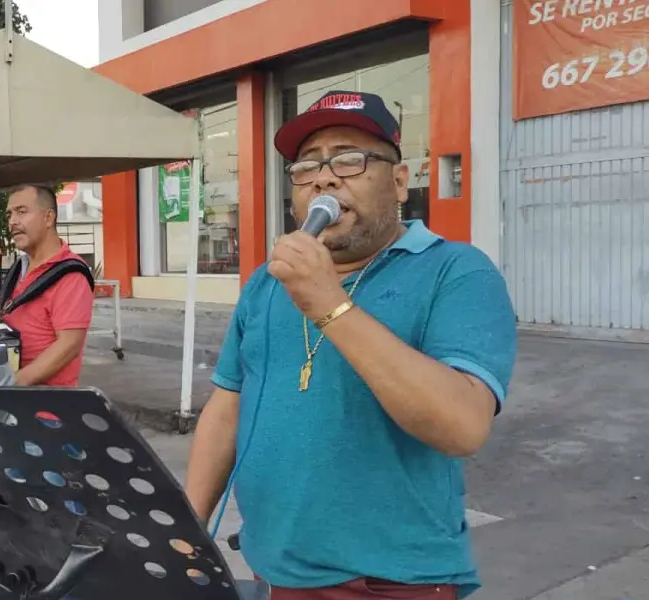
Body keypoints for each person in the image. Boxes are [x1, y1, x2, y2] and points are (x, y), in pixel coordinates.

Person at [184, 90, 518, 599]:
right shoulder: (266, 284)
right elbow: (227, 409)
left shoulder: (455, 270)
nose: (324, 177)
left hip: (391, 581)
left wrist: (329, 304)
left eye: (349, 159)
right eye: (306, 167)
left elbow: (463, 427)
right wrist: (187, 530)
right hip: (273, 568)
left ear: (400, 181)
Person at [0, 184, 94, 387]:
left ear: (48, 218)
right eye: (10, 215)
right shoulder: (19, 267)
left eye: (22, 212)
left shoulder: (70, 274)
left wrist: (13, 383)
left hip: (47, 410)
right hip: (12, 405)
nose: (13, 222)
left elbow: (69, 345)